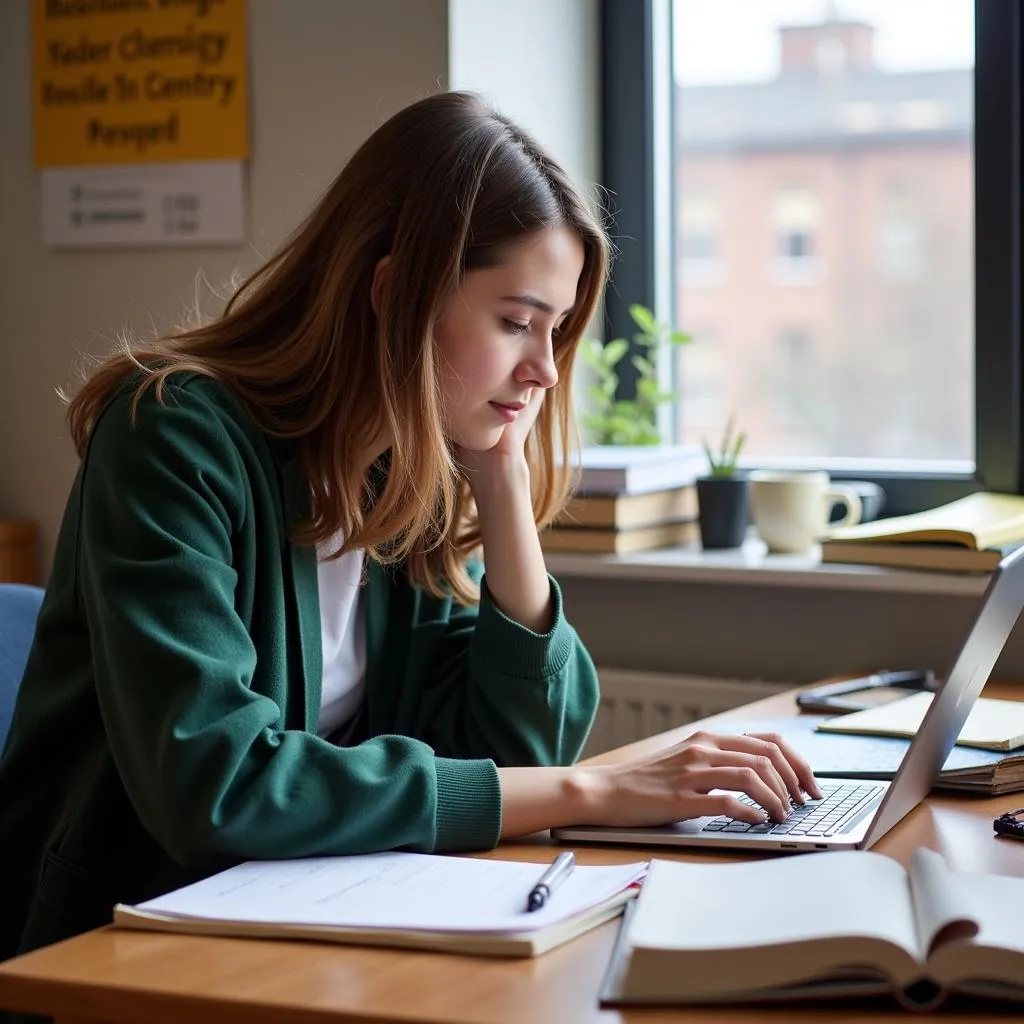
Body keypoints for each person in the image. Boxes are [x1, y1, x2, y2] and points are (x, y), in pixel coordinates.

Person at [0, 91, 821, 963]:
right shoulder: (170, 434)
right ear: (394, 292)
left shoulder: (399, 472)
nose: (544, 369)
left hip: (292, 928)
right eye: (515, 322)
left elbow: (511, 745)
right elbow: (215, 785)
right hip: (108, 953)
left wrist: (502, 479)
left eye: (556, 331)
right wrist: (592, 790)